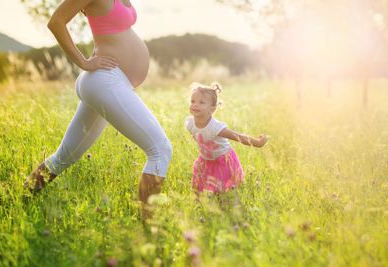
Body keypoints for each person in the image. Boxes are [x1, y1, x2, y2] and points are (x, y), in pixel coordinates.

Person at [24, 0, 172, 217]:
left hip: (110, 82)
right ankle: (148, 230)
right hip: (105, 81)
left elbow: (109, 28)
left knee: (63, 157)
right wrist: (83, 62)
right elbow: (56, 22)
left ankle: (21, 198)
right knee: (160, 150)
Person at [185, 82, 267, 194]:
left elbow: (238, 137)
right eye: (193, 101)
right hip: (205, 160)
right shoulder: (190, 123)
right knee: (200, 189)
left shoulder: (215, 127)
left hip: (223, 161)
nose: (195, 104)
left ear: (212, 110)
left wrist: (258, 142)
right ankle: (200, 205)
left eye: (201, 102)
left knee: (222, 191)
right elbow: (197, 135)